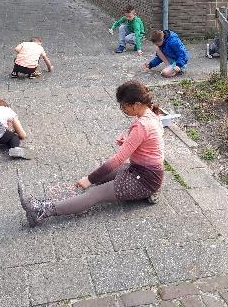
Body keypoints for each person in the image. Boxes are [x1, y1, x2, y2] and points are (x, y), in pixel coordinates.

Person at [18, 80, 164, 227]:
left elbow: (117, 159)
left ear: (137, 104)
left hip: (145, 180)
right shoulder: (151, 115)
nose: (123, 109)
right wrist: (128, 141)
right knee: (99, 178)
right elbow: (150, 142)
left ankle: (42, 210)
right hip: (141, 171)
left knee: (95, 192)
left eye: (124, 106)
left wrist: (89, 179)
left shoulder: (142, 125)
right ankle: (53, 202)